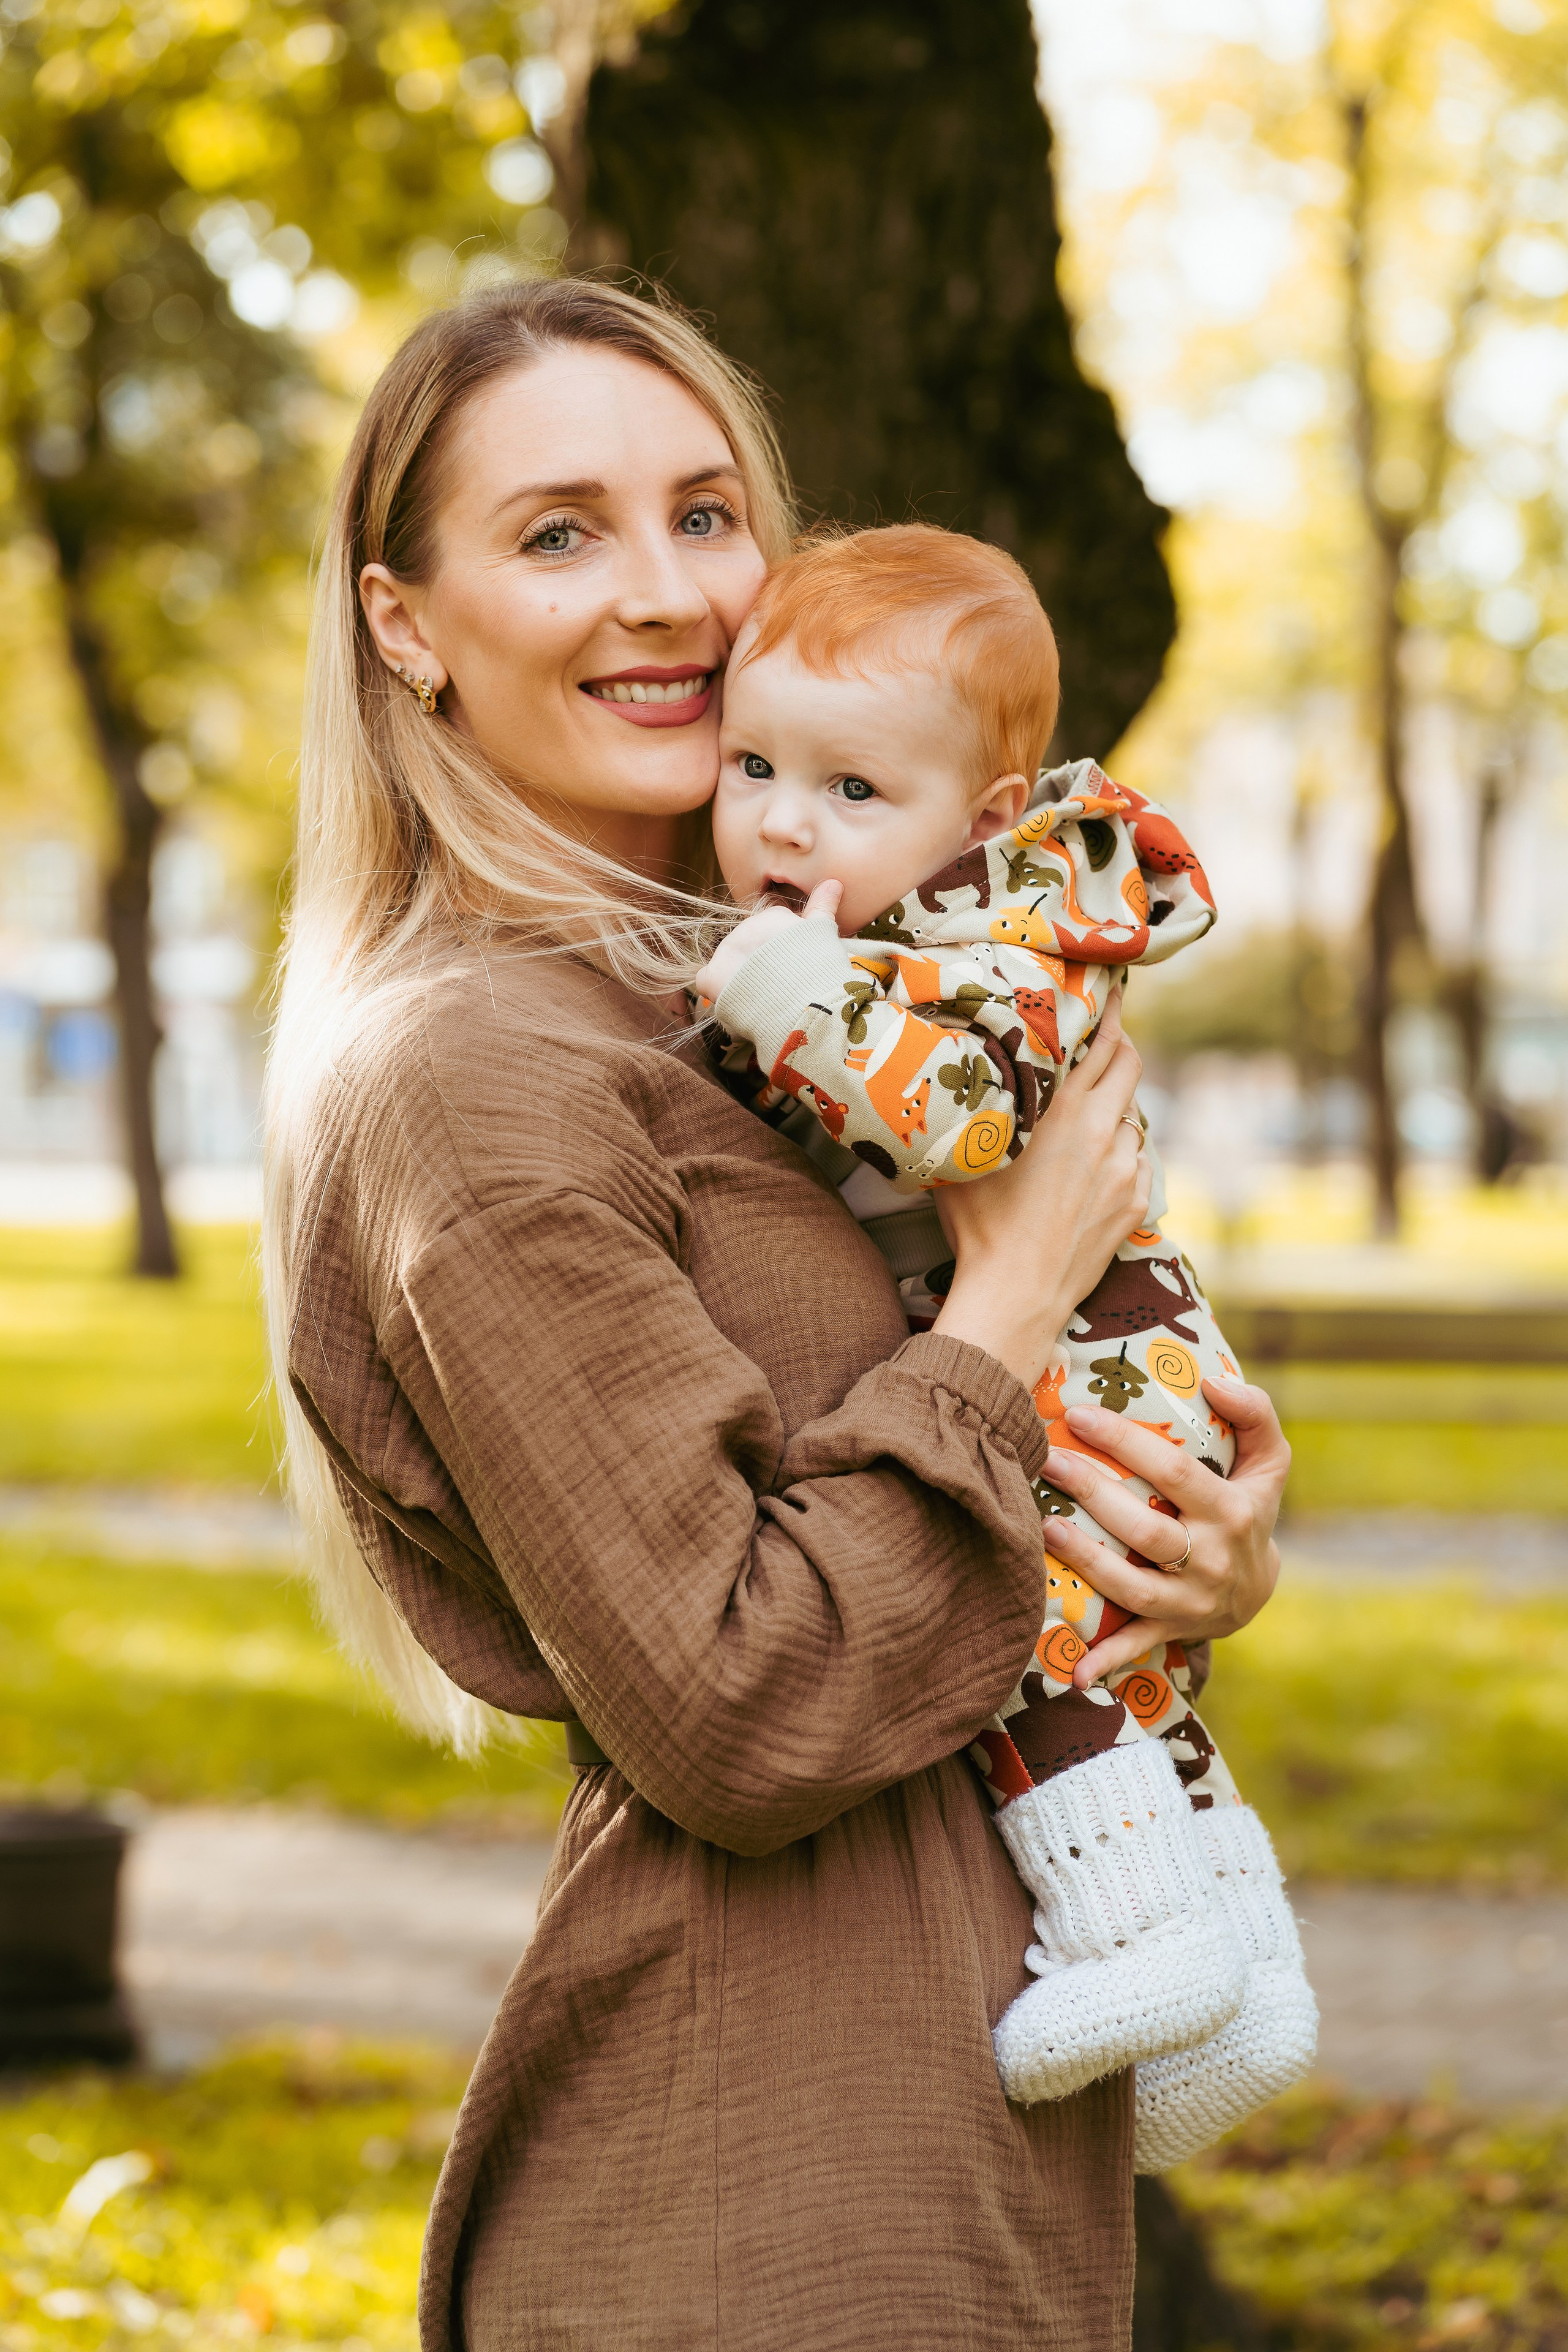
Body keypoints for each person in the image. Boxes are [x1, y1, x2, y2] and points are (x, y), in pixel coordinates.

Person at [262, 277, 1291, 2352]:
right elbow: (743, 1700)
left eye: (706, 515)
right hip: (768, 2180)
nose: (667, 596)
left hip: (951, 2126)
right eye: (559, 534)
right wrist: (1000, 1314)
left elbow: (944, 1510)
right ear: (404, 624)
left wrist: (1178, 1529)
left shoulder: (764, 1008)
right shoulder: (469, 1074)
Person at [692, 524, 1316, 2163]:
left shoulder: (1005, 955)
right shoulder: (915, 930)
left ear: (977, 824)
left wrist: (779, 993)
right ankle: (1245, 1965)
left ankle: (1136, 1938)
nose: (777, 820)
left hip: (1093, 1372)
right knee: (1133, 1659)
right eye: (753, 763)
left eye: (847, 792)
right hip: (1092, 1365)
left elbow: (959, 1126)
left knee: (1039, 1640)